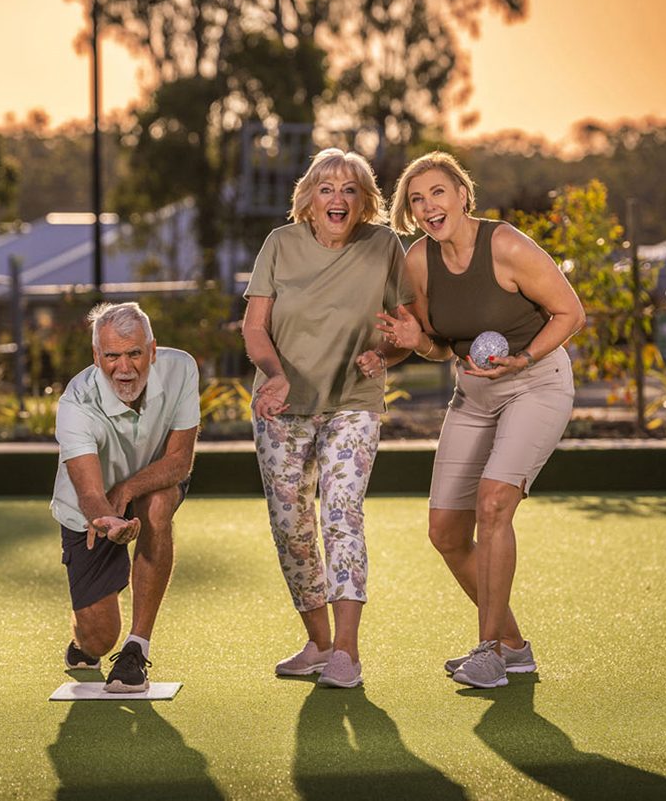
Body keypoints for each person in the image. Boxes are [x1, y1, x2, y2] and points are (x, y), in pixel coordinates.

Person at [377, 150, 585, 689]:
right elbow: (437, 346)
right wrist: (412, 340)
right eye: (417, 199)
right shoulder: (418, 261)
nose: (428, 206)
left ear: (463, 194)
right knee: (446, 531)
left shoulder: (507, 244)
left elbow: (571, 312)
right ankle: (513, 645)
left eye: (438, 192)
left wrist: (527, 358)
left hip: (536, 382)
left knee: (494, 503)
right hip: (473, 392)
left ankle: (488, 649)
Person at [241, 148, 415, 688]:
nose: (337, 198)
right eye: (326, 188)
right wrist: (273, 374)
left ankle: (346, 651)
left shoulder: (385, 246)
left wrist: (383, 356)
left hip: (353, 403)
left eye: (349, 189)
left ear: (364, 202)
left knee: (341, 512)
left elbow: (407, 329)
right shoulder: (279, 244)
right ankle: (317, 642)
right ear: (309, 200)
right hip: (282, 404)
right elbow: (254, 327)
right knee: (290, 526)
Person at [51, 302, 199, 693]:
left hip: (151, 482)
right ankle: (87, 640)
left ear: (152, 350)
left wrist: (129, 489)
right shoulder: (75, 403)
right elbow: (88, 493)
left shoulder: (180, 368)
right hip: (91, 509)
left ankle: (137, 647)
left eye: (134, 353)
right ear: (96, 357)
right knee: (98, 638)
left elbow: (180, 461)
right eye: (112, 356)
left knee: (157, 506)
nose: (125, 367)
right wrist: (107, 520)